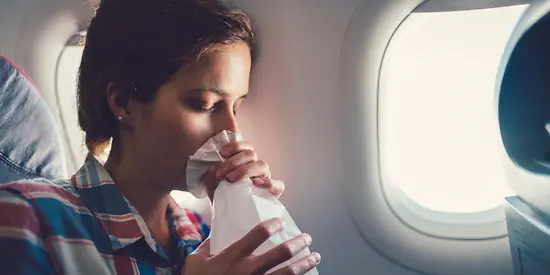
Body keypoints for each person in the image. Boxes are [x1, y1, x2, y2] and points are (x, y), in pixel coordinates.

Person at [0, 0, 321, 274]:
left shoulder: (207, 235)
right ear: (123, 101)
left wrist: (245, 215)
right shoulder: (27, 217)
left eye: (236, 106)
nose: (233, 133)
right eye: (205, 105)